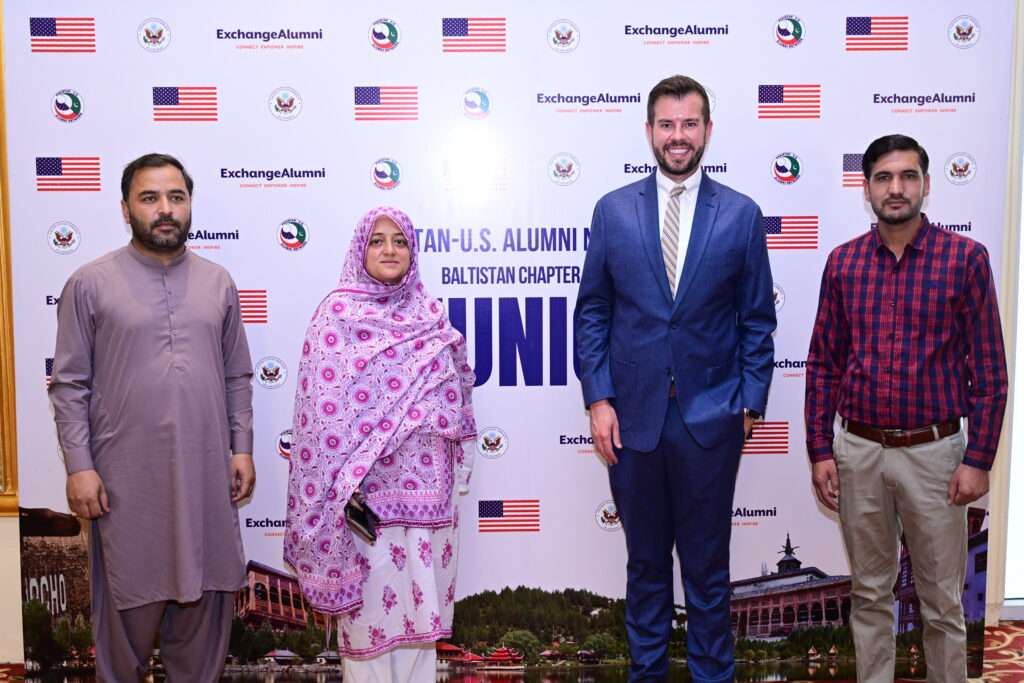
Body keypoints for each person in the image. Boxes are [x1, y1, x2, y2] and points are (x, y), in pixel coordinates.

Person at [574, 75, 776, 682]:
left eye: (690, 124)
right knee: (645, 569)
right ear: (649, 131)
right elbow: (593, 312)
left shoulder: (740, 214)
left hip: (711, 418)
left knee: (709, 572)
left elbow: (757, 320)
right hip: (631, 420)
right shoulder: (613, 210)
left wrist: (749, 403)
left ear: (708, 130)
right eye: (667, 124)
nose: (678, 136)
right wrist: (598, 398)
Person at [805, 134, 1007, 683]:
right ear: (867, 188)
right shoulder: (843, 263)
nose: (896, 188)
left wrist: (978, 460)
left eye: (908, 176)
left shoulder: (965, 259)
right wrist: (820, 449)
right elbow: (823, 364)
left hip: (936, 456)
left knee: (941, 601)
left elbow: (990, 372)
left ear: (926, 184)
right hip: (859, 453)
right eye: (884, 178)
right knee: (870, 594)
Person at [48, 153, 256, 682]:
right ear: (126, 209)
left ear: (189, 205)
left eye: (176, 197)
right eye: (149, 198)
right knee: (122, 647)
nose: (165, 209)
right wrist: (79, 466)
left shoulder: (218, 282)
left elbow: (237, 375)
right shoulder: (89, 284)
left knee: (202, 640)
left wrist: (243, 449)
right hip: (125, 488)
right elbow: (69, 384)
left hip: (206, 481)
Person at [285, 206, 476, 682]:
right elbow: (318, 413)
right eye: (377, 240)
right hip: (364, 503)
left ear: (413, 251)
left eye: (400, 241)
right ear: (360, 250)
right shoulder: (335, 316)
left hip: (429, 502)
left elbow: (455, 397)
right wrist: (343, 480)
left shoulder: (430, 316)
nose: (389, 250)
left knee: (420, 624)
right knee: (368, 624)